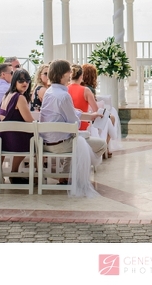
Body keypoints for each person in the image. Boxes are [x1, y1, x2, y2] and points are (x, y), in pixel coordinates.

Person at [40, 60, 107, 194]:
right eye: (68, 71)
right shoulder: (64, 96)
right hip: (60, 144)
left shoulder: (49, 91)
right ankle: (73, 175)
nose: (71, 74)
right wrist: (82, 120)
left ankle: (65, 175)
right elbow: (73, 122)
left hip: (46, 141)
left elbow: (70, 112)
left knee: (77, 141)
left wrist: (90, 116)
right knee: (101, 145)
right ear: (62, 74)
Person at [0, 68, 34, 184]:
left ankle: (14, 173)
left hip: (3, 138)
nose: (25, 83)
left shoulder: (6, 95)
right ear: (15, 81)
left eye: (27, 80)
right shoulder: (19, 98)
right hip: (13, 140)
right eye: (21, 80)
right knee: (38, 138)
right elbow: (30, 121)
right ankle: (17, 173)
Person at [81, 63, 119, 157]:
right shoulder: (89, 89)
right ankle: (104, 146)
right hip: (90, 115)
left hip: (85, 114)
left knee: (110, 115)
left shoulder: (82, 87)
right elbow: (95, 108)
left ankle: (105, 146)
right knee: (112, 118)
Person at [68, 64, 98, 132]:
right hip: (83, 128)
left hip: (69, 128)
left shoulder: (65, 89)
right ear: (81, 76)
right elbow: (96, 110)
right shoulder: (86, 90)